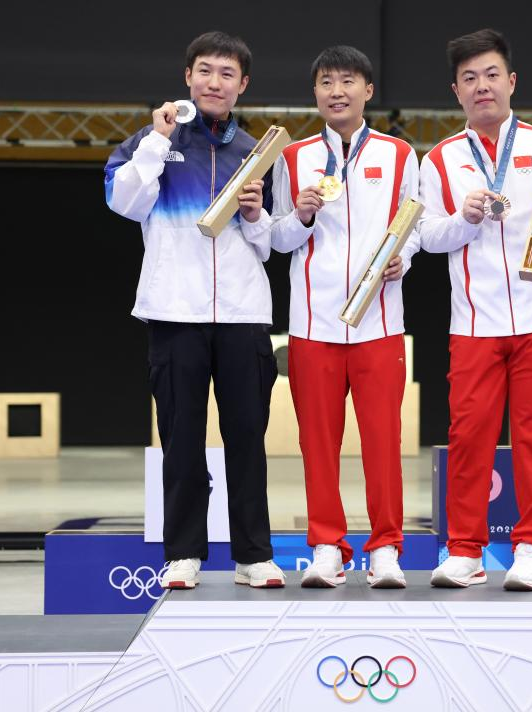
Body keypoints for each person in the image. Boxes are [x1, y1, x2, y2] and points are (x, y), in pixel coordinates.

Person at [418, 29, 532, 590]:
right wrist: (463, 219)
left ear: (511, 81)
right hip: (475, 322)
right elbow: (426, 236)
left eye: (491, 75)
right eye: (469, 79)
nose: (482, 87)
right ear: (456, 91)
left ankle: (531, 550)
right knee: (469, 435)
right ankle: (465, 550)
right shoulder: (443, 160)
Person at [104, 31, 284, 589]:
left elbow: (271, 243)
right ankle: (183, 552)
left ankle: (254, 554)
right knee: (181, 439)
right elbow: (123, 202)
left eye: (226, 74)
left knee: (247, 439)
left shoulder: (258, 152)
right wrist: (156, 143)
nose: (214, 82)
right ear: (188, 77)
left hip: (241, 314)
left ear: (243, 85)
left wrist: (254, 214)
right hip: (174, 314)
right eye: (205, 71)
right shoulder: (149, 141)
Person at [269, 46, 420, 588]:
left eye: (348, 81)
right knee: (318, 442)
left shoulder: (401, 155)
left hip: (380, 323)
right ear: (315, 93)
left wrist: (407, 255)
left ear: (368, 91)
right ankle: (327, 544)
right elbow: (277, 237)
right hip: (313, 325)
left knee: (383, 440)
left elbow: (416, 223)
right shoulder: (293, 158)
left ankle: (385, 548)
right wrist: (303, 214)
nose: (337, 91)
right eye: (327, 82)